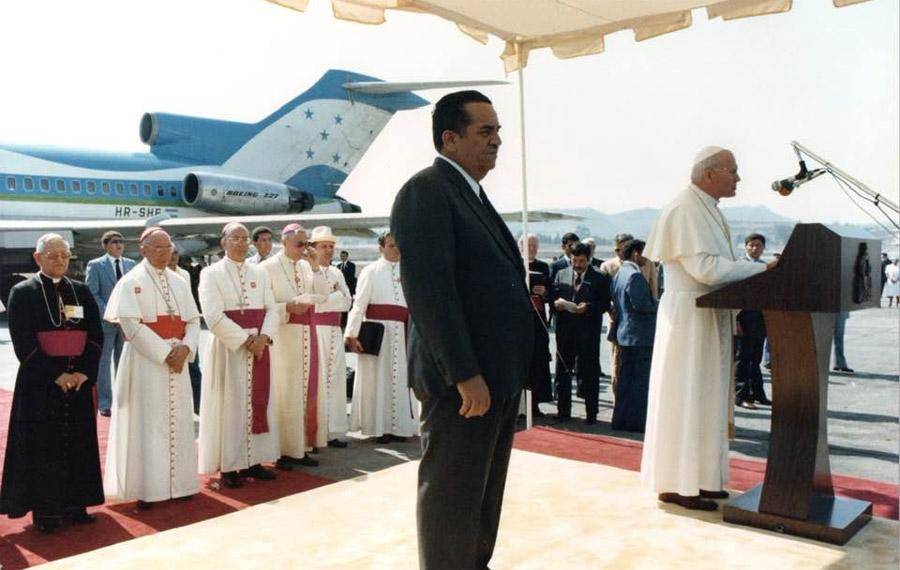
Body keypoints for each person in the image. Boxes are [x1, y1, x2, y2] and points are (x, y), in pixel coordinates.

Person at [391, 90, 534, 569]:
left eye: (498, 131)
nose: (497, 141)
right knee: (452, 495)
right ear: (450, 139)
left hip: (494, 376)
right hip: (465, 382)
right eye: (485, 131)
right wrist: (464, 372)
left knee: (482, 493)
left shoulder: (469, 192)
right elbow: (431, 294)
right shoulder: (426, 191)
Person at [640, 146, 776, 512]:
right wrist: (763, 269)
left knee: (706, 400)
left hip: (707, 315)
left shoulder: (706, 208)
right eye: (733, 171)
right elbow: (708, 271)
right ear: (709, 173)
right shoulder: (686, 209)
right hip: (690, 317)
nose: (738, 178)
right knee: (688, 398)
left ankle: (701, 479)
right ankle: (679, 484)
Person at [0, 234, 104, 533]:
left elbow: (95, 336)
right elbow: (24, 342)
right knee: (44, 447)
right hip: (41, 384)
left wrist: (83, 372)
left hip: (79, 383)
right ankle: (47, 510)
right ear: (38, 258)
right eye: (52, 255)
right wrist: (56, 375)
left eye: (64, 254)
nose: (59, 260)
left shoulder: (80, 291)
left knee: (79, 442)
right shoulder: (22, 292)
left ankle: (77, 504)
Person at [103, 228, 201, 508]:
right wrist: (164, 353)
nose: (163, 252)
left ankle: (181, 484)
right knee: (149, 423)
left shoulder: (180, 281)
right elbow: (130, 324)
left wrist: (186, 348)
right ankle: (149, 488)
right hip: (148, 362)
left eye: (167, 247)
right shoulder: (131, 281)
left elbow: (193, 321)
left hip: (179, 358)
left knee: (179, 421)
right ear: (142, 249)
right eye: (156, 248)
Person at [198, 222, 280, 488]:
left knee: (257, 402)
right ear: (223, 242)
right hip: (229, 348)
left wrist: (263, 337)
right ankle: (230, 466)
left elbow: (272, 309)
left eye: (245, 239)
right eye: (236, 238)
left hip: (259, 348)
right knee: (229, 406)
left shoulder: (260, 272)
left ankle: (254, 460)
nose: (242, 243)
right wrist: (246, 340)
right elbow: (212, 316)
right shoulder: (210, 274)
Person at [259, 223, 327, 468]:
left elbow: (323, 293)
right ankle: (281, 450)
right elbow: (263, 307)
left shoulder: (305, 266)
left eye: (306, 244)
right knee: (284, 393)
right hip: (283, 337)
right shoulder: (267, 268)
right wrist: (286, 307)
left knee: (302, 391)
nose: (303, 249)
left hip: (306, 334)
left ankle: (300, 447)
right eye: (300, 244)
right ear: (284, 241)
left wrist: (316, 265)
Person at [345, 232, 419, 442]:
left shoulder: (410, 271)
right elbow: (359, 304)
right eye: (391, 245)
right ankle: (381, 428)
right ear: (381, 248)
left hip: (405, 332)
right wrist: (351, 333)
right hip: (378, 333)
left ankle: (401, 427)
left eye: (398, 245)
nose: (395, 249)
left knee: (402, 379)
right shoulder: (371, 271)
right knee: (379, 381)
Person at [550, 242, 611, 424]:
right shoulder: (561, 274)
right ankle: (563, 412)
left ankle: (591, 414)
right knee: (563, 372)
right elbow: (553, 297)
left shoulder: (600, 277)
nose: (577, 265)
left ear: (588, 260)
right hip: (565, 333)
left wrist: (589, 307)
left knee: (589, 374)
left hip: (588, 334)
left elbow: (605, 304)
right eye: (574, 260)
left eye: (581, 261)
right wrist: (556, 303)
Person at [308, 225, 352, 449]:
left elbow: (347, 301)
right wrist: (330, 297)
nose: (328, 250)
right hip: (316, 331)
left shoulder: (337, 272)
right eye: (323, 246)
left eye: (331, 246)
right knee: (316, 380)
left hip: (335, 330)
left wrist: (327, 299)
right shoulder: (305, 270)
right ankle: (314, 432)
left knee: (335, 379)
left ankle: (333, 430)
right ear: (313, 248)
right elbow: (311, 299)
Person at [85, 230, 135, 416]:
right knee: (103, 363)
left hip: (126, 322)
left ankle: (124, 401)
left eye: (121, 241)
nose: (119, 245)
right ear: (105, 245)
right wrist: (110, 313)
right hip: (105, 322)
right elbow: (93, 293)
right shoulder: (95, 265)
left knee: (124, 362)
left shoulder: (130, 265)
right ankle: (105, 402)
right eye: (114, 242)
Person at [610, 239, 657, 432]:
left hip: (625, 334)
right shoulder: (635, 276)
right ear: (636, 254)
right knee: (640, 381)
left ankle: (620, 419)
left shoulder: (620, 274)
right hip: (640, 336)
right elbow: (643, 305)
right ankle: (636, 422)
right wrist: (663, 305)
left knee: (625, 379)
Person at [734, 233, 771, 409]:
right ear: (746, 247)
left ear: (764, 248)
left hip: (760, 320)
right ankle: (741, 396)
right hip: (743, 318)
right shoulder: (739, 266)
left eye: (758, 245)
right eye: (751, 245)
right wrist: (735, 320)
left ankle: (758, 394)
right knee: (742, 359)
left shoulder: (766, 267)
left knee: (755, 359)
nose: (755, 248)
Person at [520, 233, 552, 417]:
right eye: (528, 245)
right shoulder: (515, 263)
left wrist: (545, 291)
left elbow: (550, 293)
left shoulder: (543, 267)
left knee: (538, 360)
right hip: (521, 319)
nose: (532, 248)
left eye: (534, 245)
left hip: (538, 318)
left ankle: (535, 404)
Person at [169, 248, 202, 413]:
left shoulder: (184, 274)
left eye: (176, 253)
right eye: (171, 253)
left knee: (194, 367)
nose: (173, 256)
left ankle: (198, 404)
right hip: (169, 327)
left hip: (186, 326)